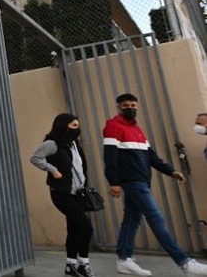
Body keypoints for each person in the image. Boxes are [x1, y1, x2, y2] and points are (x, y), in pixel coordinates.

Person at [104, 93, 207, 276]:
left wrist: (170, 171)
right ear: (118, 107)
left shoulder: (137, 129)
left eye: (133, 105)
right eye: (126, 105)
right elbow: (110, 157)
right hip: (132, 181)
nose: (130, 108)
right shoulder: (113, 126)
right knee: (155, 218)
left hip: (142, 180)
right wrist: (114, 182)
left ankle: (123, 259)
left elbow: (150, 155)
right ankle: (185, 263)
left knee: (131, 220)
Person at [30, 113, 96, 277]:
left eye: (78, 126)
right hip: (61, 193)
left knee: (74, 228)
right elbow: (35, 158)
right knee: (86, 227)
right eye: (74, 125)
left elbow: (80, 168)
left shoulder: (74, 145)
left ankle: (70, 265)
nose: (78, 129)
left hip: (78, 193)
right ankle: (84, 264)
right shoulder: (52, 144)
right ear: (63, 126)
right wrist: (52, 170)